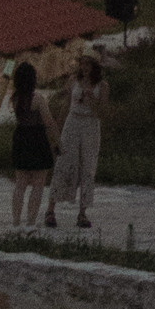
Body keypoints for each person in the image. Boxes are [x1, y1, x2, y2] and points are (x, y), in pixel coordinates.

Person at [47, 51, 109, 232]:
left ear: (95, 66)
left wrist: (92, 99)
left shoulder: (102, 85)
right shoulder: (74, 81)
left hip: (90, 124)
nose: (84, 68)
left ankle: (82, 212)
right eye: (82, 64)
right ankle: (50, 209)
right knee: (64, 162)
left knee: (88, 166)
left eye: (88, 64)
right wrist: (57, 131)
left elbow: (103, 112)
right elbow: (66, 105)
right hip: (73, 121)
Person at [3, 58, 53, 229]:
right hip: (37, 139)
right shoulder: (37, 99)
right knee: (38, 184)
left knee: (20, 184)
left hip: (20, 138)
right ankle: (31, 221)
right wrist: (57, 141)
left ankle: (16, 221)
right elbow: (48, 122)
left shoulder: (15, 99)